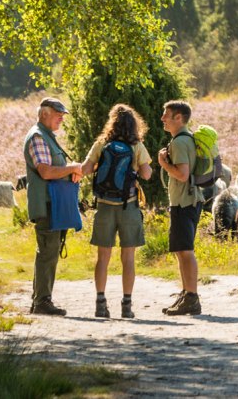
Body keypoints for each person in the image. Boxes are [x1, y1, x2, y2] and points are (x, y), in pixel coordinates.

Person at [80, 103, 152, 319]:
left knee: (103, 257)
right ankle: (126, 305)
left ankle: (100, 303)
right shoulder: (136, 145)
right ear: (134, 125)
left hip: (104, 206)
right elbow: (147, 175)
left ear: (111, 122)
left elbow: (85, 169)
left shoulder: (102, 144)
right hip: (128, 205)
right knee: (128, 257)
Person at [22, 96, 82, 316]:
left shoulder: (46, 136)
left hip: (52, 203)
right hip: (47, 204)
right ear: (44, 113)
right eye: (58, 115)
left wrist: (70, 171)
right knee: (48, 252)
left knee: (48, 251)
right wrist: (72, 168)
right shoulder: (38, 137)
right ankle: (42, 302)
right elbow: (46, 171)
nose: (61, 119)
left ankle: (40, 299)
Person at [157, 100, 201, 316]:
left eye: (166, 115)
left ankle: (192, 297)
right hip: (187, 200)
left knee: (185, 250)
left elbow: (182, 175)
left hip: (184, 201)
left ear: (178, 117)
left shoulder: (180, 143)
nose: (163, 118)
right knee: (180, 250)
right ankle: (186, 294)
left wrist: (163, 164)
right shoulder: (184, 139)